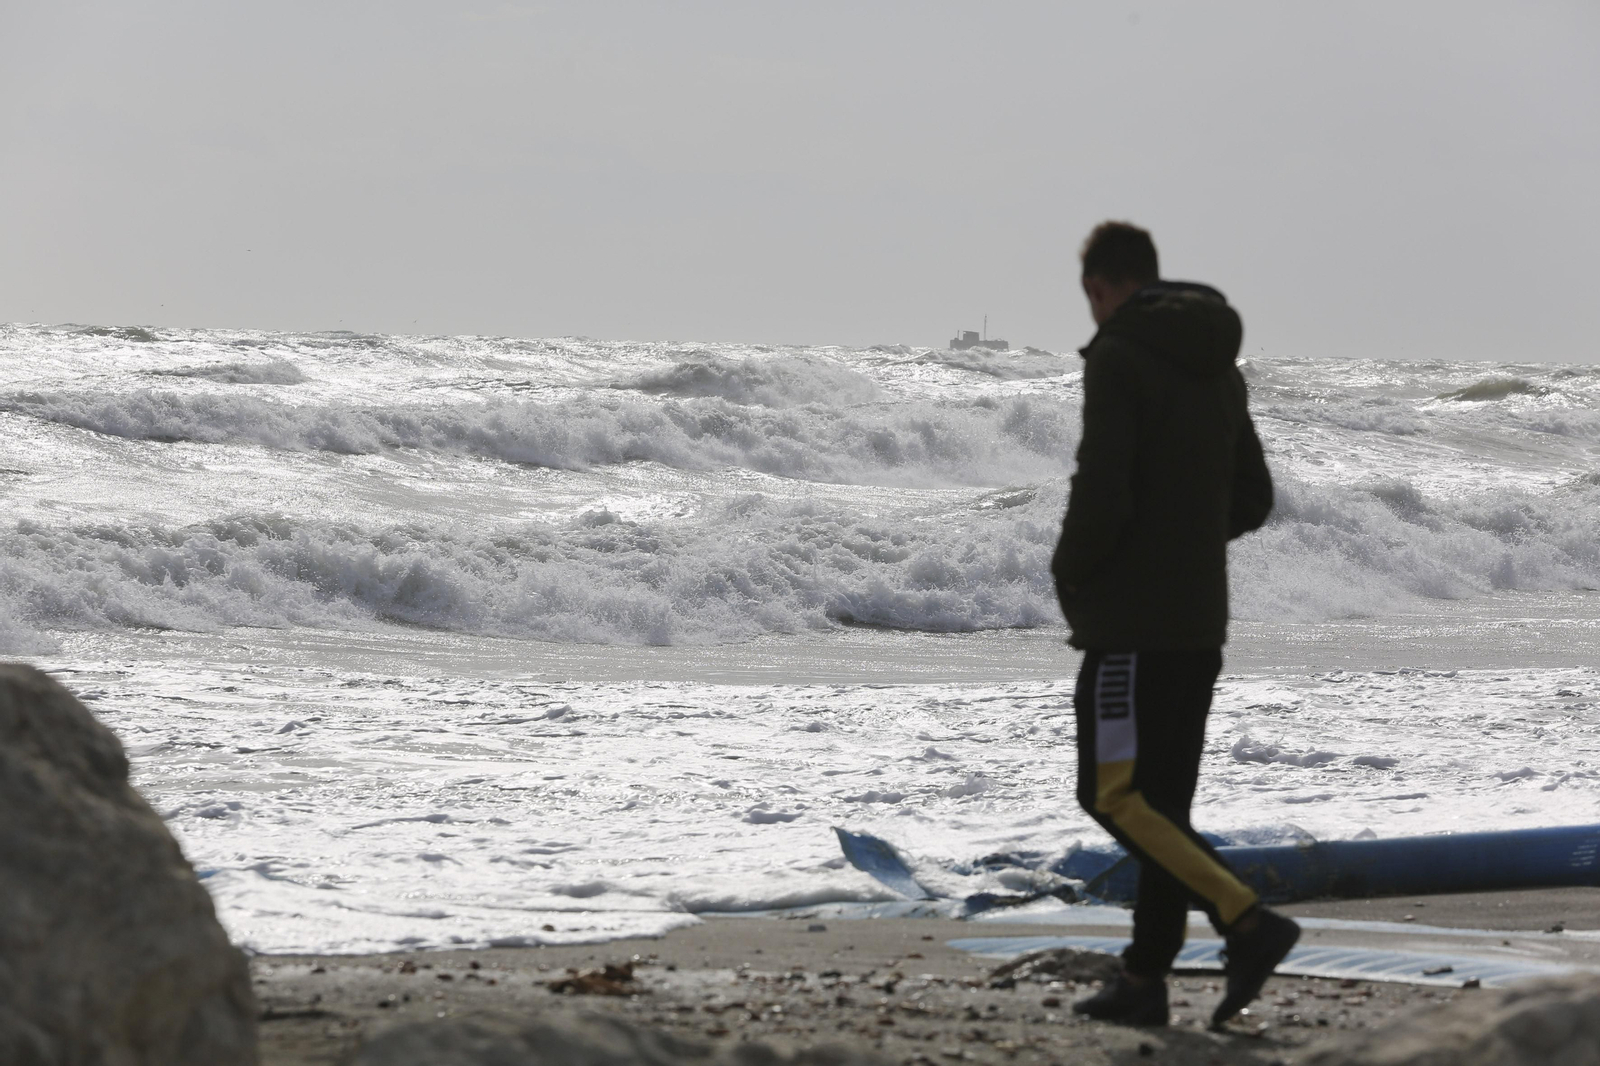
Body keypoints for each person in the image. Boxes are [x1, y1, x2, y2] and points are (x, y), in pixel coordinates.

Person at [1052, 221, 1297, 1029]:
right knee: (1165, 808)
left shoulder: (1119, 356)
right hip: (1198, 621)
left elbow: (1103, 485)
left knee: (1113, 794)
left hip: (1132, 622)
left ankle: (1248, 922)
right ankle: (1145, 980)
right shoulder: (1217, 365)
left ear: (1099, 288)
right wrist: (1185, 542)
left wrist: (1077, 572)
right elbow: (1252, 497)